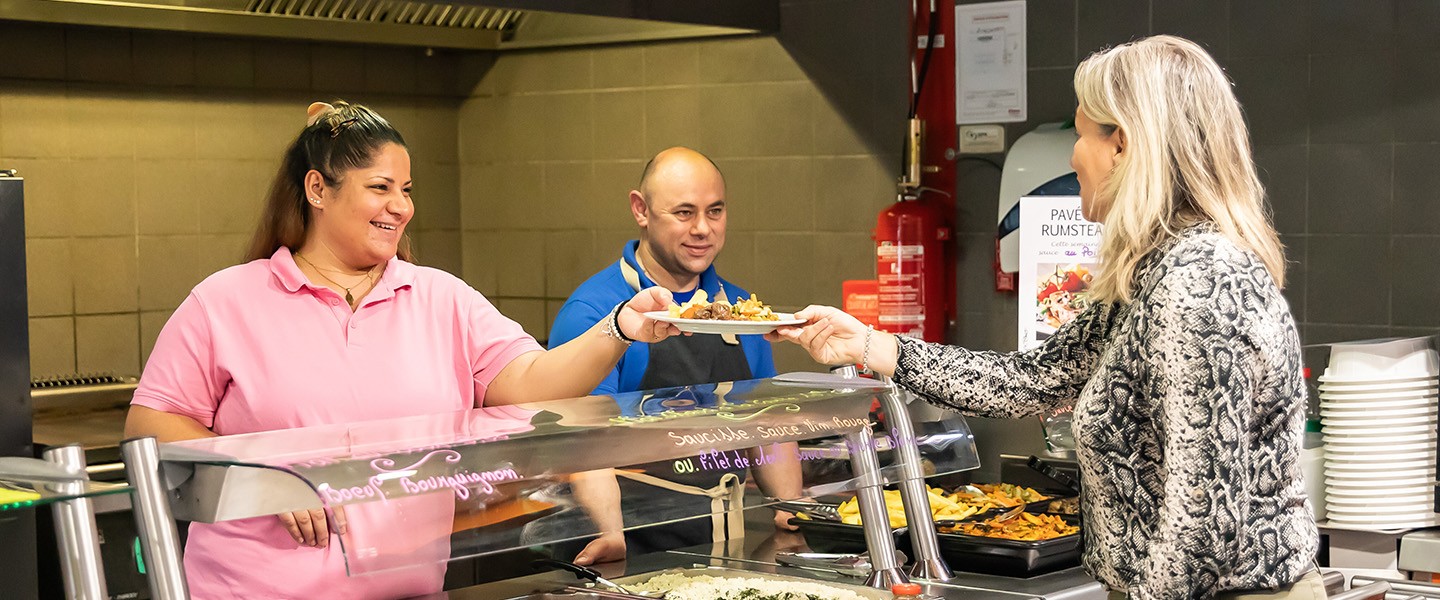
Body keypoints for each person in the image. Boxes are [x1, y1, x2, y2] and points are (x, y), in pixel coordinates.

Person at [770, 36, 1321, 600]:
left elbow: (1202, 524)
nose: (1072, 157)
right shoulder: (1154, 273)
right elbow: (1029, 380)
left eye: (1082, 135)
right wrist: (866, 344)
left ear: (1124, 146)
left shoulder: (1198, 281)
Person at [124, 100, 681, 600]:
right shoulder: (226, 301)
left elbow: (534, 379)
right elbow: (148, 425)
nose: (401, 206)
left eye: (406, 190)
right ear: (318, 189)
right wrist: (261, 471)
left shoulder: (441, 298)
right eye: (380, 187)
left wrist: (620, 327)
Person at [547, 147, 803, 560]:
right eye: (684, 213)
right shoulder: (595, 313)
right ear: (640, 210)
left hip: (724, 540)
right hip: (630, 542)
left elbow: (767, 426)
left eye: (715, 211)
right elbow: (584, 442)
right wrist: (612, 534)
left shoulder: (742, 311)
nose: (703, 228)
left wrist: (791, 507)